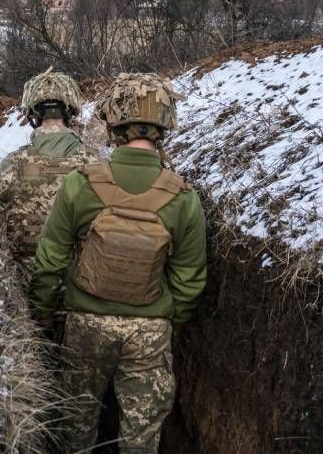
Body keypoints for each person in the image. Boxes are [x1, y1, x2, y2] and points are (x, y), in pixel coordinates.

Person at [30, 72, 206, 453]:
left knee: (75, 424)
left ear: (112, 123)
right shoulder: (183, 196)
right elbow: (190, 278)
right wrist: (165, 317)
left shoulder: (82, 183)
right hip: (149, 331)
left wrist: (43, 310)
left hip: (85, 324)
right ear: (164, 126)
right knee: (141, 436)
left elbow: (51, 257)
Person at [0, 68, 101, 273]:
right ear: (70, 112)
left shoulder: (14, 162)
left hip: (27, 278)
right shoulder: (94, 161)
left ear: (33, 114)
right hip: (80, 281)